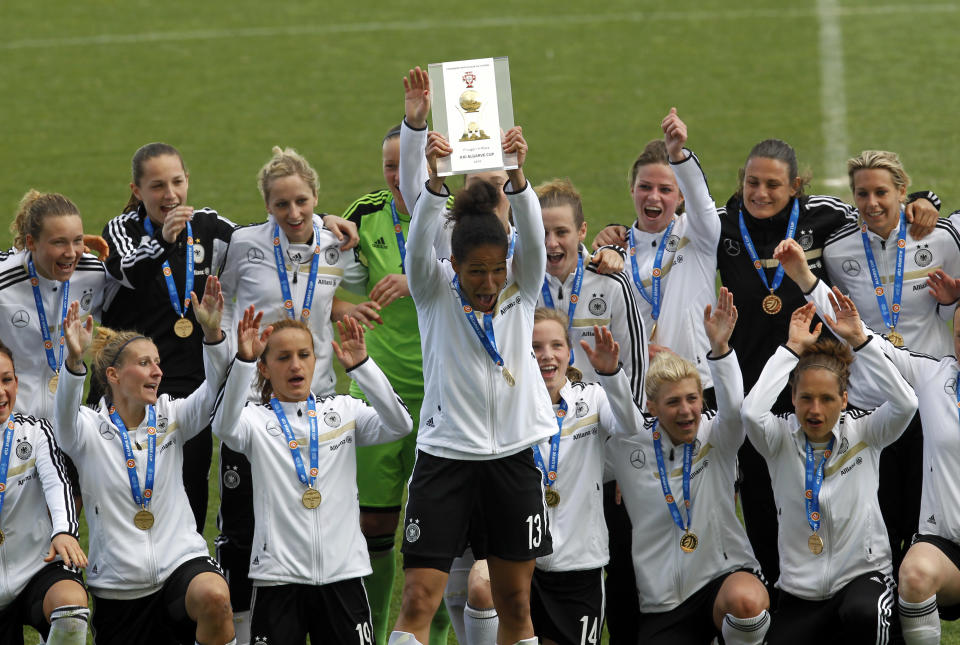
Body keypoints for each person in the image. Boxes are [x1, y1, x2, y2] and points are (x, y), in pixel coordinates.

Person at [593, 138, 940, 587]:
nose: (761, 192)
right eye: (753, 182)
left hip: (817, 391)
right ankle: (778, 600)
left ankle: (869, 594)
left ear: (795, 186)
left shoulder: (825, 215)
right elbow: (663, 233)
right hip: (755, 393)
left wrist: (920, 202)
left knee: (839, 495)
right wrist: (616, 232)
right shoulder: (722, 225)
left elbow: (876, 214)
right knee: (760, 502)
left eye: (774, 184)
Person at [389, 124, 554, 645]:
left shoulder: (521, 290)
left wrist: (520, 177)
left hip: (512, 460)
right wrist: (434, 183)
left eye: (495, 270)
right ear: (453, 264)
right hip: (445, 458)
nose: (487, 284)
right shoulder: (433, 291)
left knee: (515, 603)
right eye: (475, 271)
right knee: (418, 598)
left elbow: (533, 234)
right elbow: (418, 244)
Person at [215, 145, 369, 641]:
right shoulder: (243, 244)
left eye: (302, 201)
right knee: (241, 529)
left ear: (317, 198)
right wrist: (227, 359)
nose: (294, 213)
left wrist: (347, 307)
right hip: (253, 407)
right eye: (281, 205)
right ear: (267, 207)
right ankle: (245, 630)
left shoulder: (336, 242)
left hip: (316, 402)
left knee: (312, 513)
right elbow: (219, 305)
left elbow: (328, 292)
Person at [778, 238, 960, 644]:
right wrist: (808, 281)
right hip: (948, 545)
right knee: (912, 573)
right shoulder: (936, 377)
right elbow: (864, 338)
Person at [209, 309, 412, 644]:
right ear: (265, 367)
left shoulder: (344, 411)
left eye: (304, 355)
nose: (295, 365)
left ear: (316, 361)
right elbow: (222, 426)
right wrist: (243, 361)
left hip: (344, 576)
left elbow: (399, 424)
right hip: (278, 580)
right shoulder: (254, 422)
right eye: (283, 357)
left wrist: (362, 367)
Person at [54, 278, 236, 645]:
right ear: (114, 376)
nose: (158, 371)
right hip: (119, 589)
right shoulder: (87, 428)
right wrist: (74, 361)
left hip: (181, 568)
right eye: (144, 363)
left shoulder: (173, 416)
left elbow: (215, 390)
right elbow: (63, 418)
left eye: (158, 362)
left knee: (216, 597)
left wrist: (213, 336)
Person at [741, 293, 918, 643]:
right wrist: (791, 349)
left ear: (845, 399)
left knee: (866, 615)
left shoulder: (866, 431)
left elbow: (906, 402)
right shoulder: (777, 439)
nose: (815, 410)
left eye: (827, 399)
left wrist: (860, 341)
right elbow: (750, 412)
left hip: (863, 579)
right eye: (806, 397)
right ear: (792, 397)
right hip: (799, 591)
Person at [819, 150, 960, 578]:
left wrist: (953, 304)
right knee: (876, 523)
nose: (872, 202)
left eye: (882, 191)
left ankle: (919, 605)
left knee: (923, 524)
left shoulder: (941, 239)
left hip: (930, 405)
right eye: (862, 193)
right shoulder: (837, 250)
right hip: (870, 409)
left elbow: (956, 311)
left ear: (902, 191)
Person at [604, 288, 769, 644]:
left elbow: (733, 410)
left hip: (724, 577)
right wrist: (609, 373)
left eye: (693, 398)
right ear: (652, 407)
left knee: (747, 603)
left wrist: (721, 351)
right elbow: (621, 414)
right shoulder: (632, 448)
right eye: (674, 402)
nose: (686, 410)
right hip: (664, 601)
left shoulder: (717, 437)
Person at [341, 124, 453, 645]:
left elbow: (490, 272)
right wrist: (350, 306)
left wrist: (421, 276)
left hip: (445, 396)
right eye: (389, 165)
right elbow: (329, 293)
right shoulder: (363, 215)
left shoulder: (457, 211)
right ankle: (374, 633)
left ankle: (446, 635)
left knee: (441, 537)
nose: (397, 174)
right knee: (374, 529)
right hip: (379, 395)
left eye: (404, 163)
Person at [97, 142, 237, 536]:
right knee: (132, 492)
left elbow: (263, 238)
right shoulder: (121, 230)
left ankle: (186, 576)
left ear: (187, 180)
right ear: (137, 190)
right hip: (131, 389)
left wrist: (322, 219)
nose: (170, 194)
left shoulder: (208, 228)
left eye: (177, 182)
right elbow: (131, 272)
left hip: (192, 388)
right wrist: (164, 240)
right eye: (157, 186)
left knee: (191, 489)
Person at [0, 340, 89, 644]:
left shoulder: (36, 432)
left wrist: (63, 530)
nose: (2, 392)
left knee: (72, 610)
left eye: (6, 380)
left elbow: (57, 483)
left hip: (36, 568)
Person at [537, 177, 646, 403]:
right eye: (543, 232)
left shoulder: (611, 282)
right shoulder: (525, 283)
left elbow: (635, 366)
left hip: (600, 424)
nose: (551, 243)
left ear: (582, 231)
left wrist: (629, 429)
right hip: (542, 420)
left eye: (561, 232)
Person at [0, 190, 105, 421]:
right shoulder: (5, 282)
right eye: (59, 242)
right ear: (31, 242)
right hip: (13, 424)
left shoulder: (93, 273)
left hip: (67, 423)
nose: (70, 253)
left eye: (77, 240)